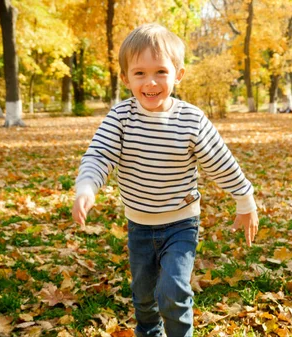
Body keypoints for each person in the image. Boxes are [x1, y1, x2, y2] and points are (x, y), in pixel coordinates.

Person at [72, 23, 259, 337]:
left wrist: (245, 201)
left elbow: (220, 161)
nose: (151, 82)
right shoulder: (120, 117)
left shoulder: (191, 120)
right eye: (140, 73)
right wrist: (87, 187)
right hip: (139, 225)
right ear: (125, 78)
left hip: (181, 223)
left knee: (171, 289)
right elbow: (99, 155)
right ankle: (149, 332)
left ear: (178, 74)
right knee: (144, 297)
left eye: (161, 71)